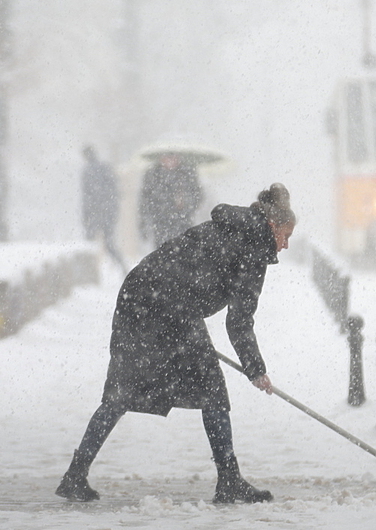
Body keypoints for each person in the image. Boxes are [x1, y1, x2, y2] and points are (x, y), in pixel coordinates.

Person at [56, 183, 296, 504]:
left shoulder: (228, 226)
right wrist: (256, 370)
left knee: (122, 391)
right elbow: (238, 321)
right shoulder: (253, 248)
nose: (286, 245)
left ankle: (75, 474)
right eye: (286, 236)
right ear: (272, 226)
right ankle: (228, 481)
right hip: (168, 307)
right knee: (212, 392)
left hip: (140, 294)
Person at [139, 154, 203, 246]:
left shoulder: (187, 173)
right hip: (160, 222)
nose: (170, 160)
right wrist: (144, 223)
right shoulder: (153, 174)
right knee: (162, 250)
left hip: (183, 220)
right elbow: (145, 199)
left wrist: (186, 202)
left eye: (173, 157)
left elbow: (197, 195)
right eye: (167, 157)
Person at [81, 146, 125, 270]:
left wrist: (86, 216)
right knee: (109, 244)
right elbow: (115, 190)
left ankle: (88, 271)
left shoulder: (87, 171)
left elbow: (86, 196)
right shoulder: (105, 168)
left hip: (95, 213)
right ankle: (123, 267)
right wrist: (113, 210)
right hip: (107, 212)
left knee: (89, 243)